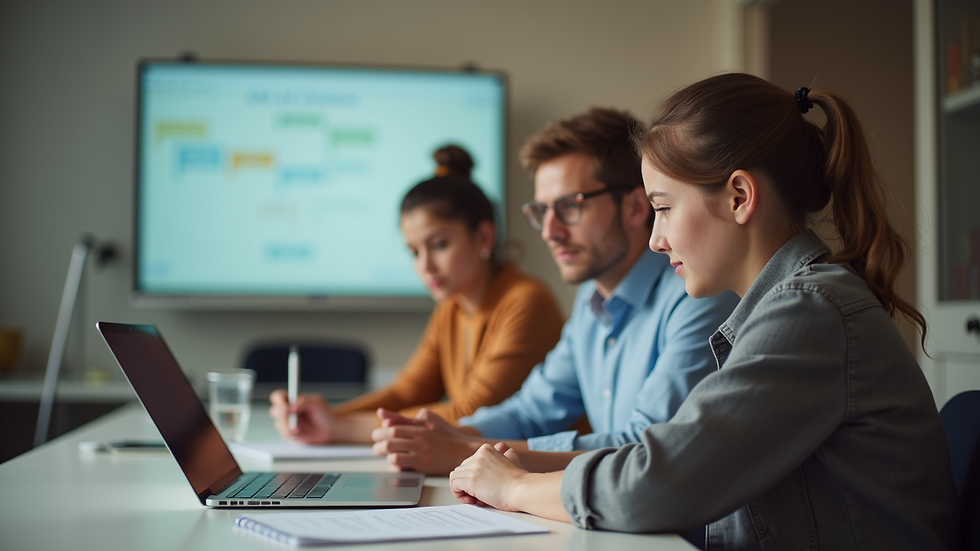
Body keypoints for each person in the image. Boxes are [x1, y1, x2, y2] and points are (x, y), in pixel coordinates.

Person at [447, 74, 960, 550]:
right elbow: (670, 456)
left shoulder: (809, 311)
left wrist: (514, 486)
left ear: (739, 196)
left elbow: (655, 484)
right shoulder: (785, 309)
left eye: (665, 208)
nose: (654, 239)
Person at [371, 108, 739, 474]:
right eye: (542, 211)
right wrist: (454, 433)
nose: (549, 231)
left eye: (569, 207)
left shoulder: (696, 296)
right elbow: (532, 410)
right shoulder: (591, 303)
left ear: (634, 207)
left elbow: (645, 445)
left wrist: (465, 450)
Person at [269, 145, 565, 444]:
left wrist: (340, 427)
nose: (424, 266)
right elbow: (407, 392)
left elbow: (469, 413)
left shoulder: (526, 301)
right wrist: (323, 416)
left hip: (547, 473)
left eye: (438, 245)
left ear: (484, 237)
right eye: (413, 251)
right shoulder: (452, 306)